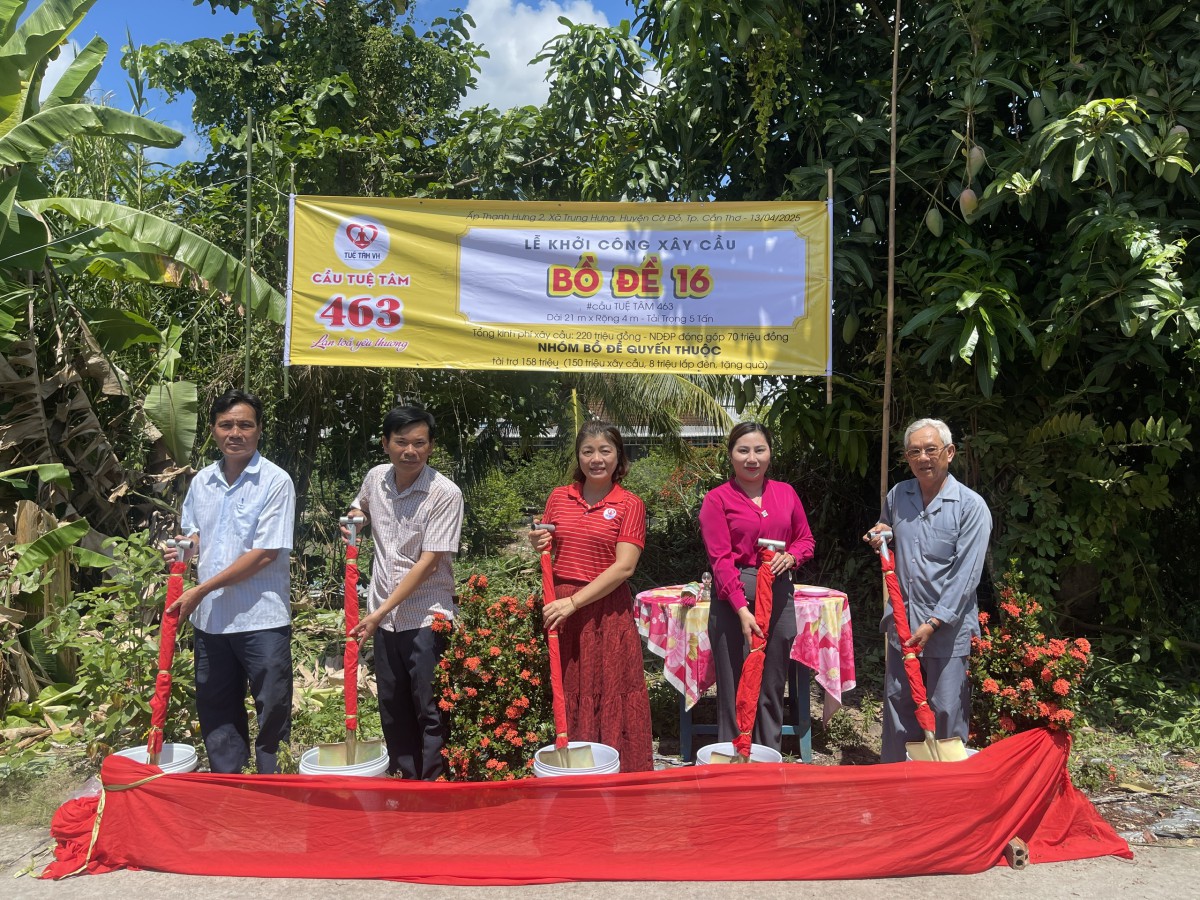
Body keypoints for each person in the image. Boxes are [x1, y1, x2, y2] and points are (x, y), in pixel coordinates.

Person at [166, 389, 296, 774]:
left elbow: (266, 552)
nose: (235, 433)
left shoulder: (275, 481)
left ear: (259, 430)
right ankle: (229, 786)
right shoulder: (202, 482)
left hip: (261, 619)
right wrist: (184, 549)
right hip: (211, 620)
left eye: (244, 425)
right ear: (213, 430)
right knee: (217, 708)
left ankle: (273, 788)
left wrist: (202, 588)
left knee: (272, 709)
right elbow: (195, 534)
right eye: (226, 425)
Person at [344, 406, 463, 780]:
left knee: (430, 708)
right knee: (393, 706)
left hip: (426, 616)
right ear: (385, 444)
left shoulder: (445, 494)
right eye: (401, 442)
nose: (410, 451)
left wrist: (379, 612)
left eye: (419, 443)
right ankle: (405, 783)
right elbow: (360, 505)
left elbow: (428, 563)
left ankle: (433, 785)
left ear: (431, 447)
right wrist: (356, 517)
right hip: (384, 618)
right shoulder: (376, 478)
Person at [864, 417, 992, 763]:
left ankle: (946, 789)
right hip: (903, 624)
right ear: (907, 457)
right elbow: (887, 528)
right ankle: (896, 783)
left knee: (945, 711)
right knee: (899, 707)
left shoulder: (971, 506)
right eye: (914, 452)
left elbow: (966, 576)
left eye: (931, 450)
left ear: (949, 453)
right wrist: (880, 533)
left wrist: (934, 623)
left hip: (946, 629)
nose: (923, 458)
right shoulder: (898, 495)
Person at [529, 422, 654, 772]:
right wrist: (537, 542)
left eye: (604, 451)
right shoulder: (559, 497)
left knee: (610, 687)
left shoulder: (630, 504)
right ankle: (572, 768)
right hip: (562, 606)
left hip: (604, 609)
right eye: (588, 451)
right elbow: (549, 545)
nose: (596, 459)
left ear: (618, 456)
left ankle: (614, 770)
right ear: (578, 457)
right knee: (568, 688)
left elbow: (624, 567)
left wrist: (574, 603)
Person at [698, 422, 815, 753]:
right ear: (731, 455)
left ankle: (767, 755)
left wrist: (791, 557)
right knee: (735, 683)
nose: (752, 458)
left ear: (770, 454)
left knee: (772, 681)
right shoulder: (717, 499)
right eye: (743, 450)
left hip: (778, 597)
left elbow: (805, 539)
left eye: (759, 450)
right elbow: (720, 560)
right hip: (733, 601)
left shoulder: (786, 493)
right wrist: (741, 609)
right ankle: (733, 756)